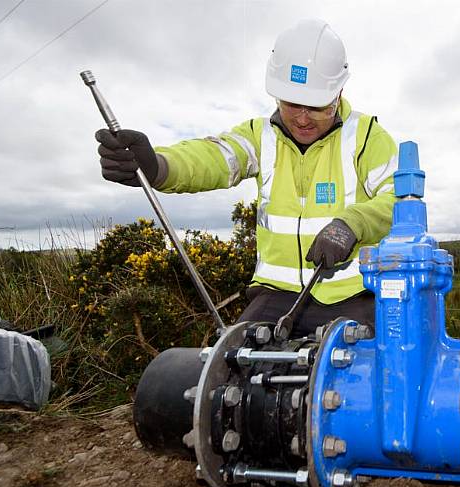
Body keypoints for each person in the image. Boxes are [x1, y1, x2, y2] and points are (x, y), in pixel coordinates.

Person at [95, 19, 397, 337]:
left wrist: (352, 224)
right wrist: (157, 165)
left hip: (354, 299)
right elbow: (213, 157)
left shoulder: (366, 138)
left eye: (317, 107)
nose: (303, 119)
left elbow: (400, 201)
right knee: (229, 369)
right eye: (293, 103)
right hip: (275, 297)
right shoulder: (258, 136)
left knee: (368, 378)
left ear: (339, 93)